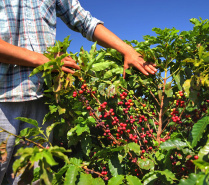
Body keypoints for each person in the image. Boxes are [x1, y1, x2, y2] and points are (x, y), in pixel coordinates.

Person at [0, 0, 157, 184]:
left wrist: (127, 50)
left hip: (41, 101)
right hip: (3, 98)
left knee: (31, 180)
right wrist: (44, 60)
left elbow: (84, 20)